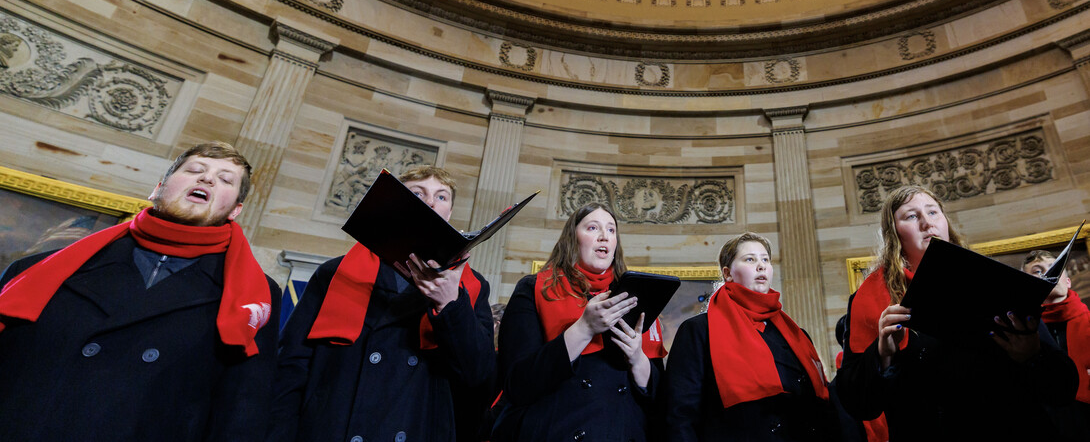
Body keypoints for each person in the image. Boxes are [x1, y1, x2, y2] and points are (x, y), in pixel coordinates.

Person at [0, 141, 280, 442]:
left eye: (225, 179)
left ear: (236, 210)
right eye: (195, 170)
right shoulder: (38, 271)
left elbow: (243, 408)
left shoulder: (253, 297)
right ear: (157, 189)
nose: (207, 179)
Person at [269, 166, 495, 442]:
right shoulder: (335, 272)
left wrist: (451, 304)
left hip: (417, 426)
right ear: (395, 205)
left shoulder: (472, 287)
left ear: (449, 214)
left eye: (441, 197)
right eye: (417, 193)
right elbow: (293, 365)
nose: (429, 203)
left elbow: (479, 377)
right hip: (331, 426)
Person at [837, 184, 1079, 441]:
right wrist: (882, 355)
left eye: (933, 212)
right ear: (894, 233)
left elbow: (1063, 388)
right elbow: (858, 404)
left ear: (945, 222)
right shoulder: (871, 299)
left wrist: (1033, 356)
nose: (926, 223)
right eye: (911, 216)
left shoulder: (994, 282)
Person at [494, 202, 665, 442]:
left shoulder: (637, 297)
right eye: (593, 228)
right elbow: (517, 383)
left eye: (611, 230)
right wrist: (584, 329)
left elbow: (663, 397)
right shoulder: (533, 289)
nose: (604, 236)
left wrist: (638, 359)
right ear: (571, 238)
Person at [662, 232, 837, 441]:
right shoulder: (698, 331)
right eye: (750, 259)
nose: (761, 266)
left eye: (765, 259)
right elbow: (680, 415)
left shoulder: (797, 336)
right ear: (728, 273)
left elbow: (820, 408)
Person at [1023, 249, 1090, 433]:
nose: (1048, 274)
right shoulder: (1021, 330)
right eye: (1037, 271)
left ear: (1068, 281)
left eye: (1055, 269)